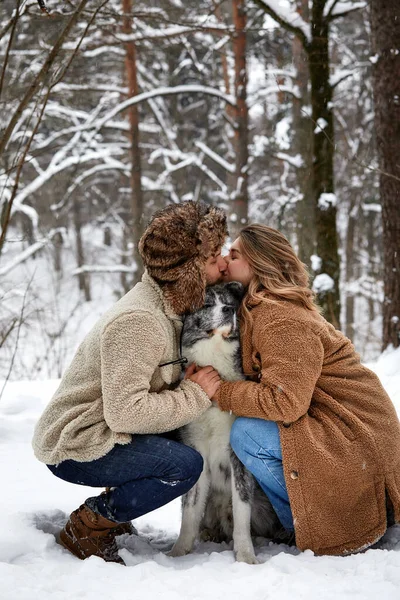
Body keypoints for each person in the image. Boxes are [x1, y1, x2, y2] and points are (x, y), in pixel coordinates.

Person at [32, 201, 228, 564]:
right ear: (188, 268)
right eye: (214, 254)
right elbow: (126, 413)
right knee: (184, 466)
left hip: (108, 427)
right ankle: (89, 524)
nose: (223, 262)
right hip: (78, 442)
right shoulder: (140, 321)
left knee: (186, 438)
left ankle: (113, 514)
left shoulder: (171, 304)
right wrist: (196, 393)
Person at [216, 223, 400, 556]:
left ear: (259, 263)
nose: (225, 261)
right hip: (345, 430)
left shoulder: (279, 316)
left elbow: (285, 403)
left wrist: (220, 391)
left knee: (246, 434)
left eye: (235, 254)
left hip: (355, 438)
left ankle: (316, 524)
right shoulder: (262, 308)